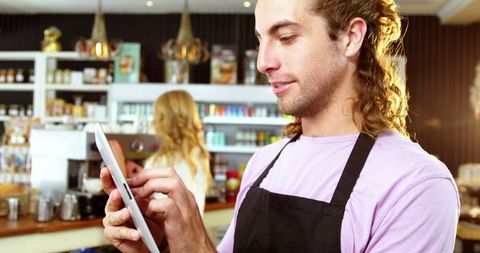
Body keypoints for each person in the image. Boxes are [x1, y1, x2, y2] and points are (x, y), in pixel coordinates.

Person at [101, 0, 460, 252]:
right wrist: (163, 245)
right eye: (261, 40)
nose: (262, 62)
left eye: (286, 37)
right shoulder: (264, 163)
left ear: (350, 37)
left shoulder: (415, 185)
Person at [109, 90, 211, 214]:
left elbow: (147, 211)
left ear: (164, 122)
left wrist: (120, 168)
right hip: (192, 231)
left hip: (167, 233)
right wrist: (143, 174)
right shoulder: (199, 155)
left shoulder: (158, 161)